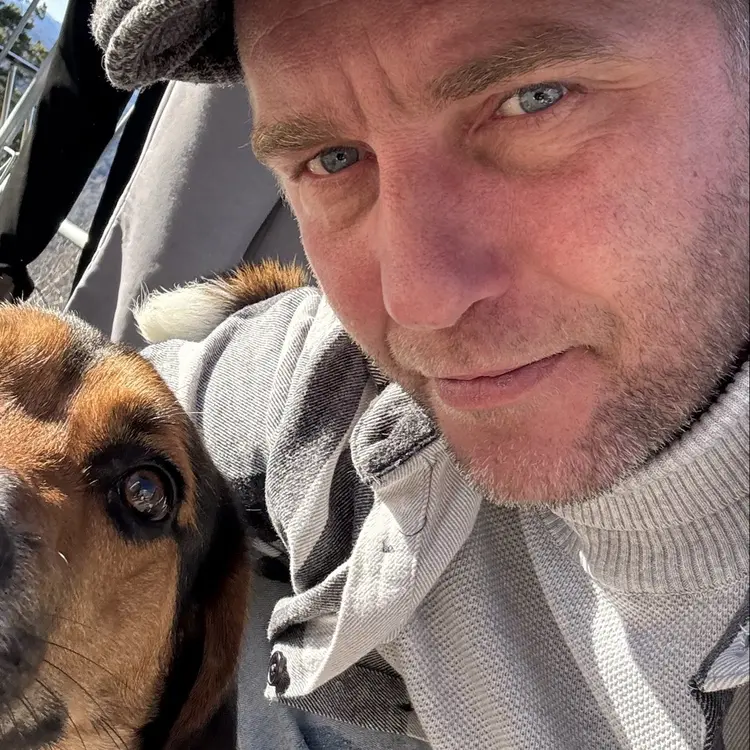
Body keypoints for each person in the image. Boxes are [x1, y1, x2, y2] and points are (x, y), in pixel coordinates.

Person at [91, 0, 749, 749]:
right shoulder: (345, 391)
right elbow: (78, 417)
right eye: (333, 160)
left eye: (534, 99)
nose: (417, 301)